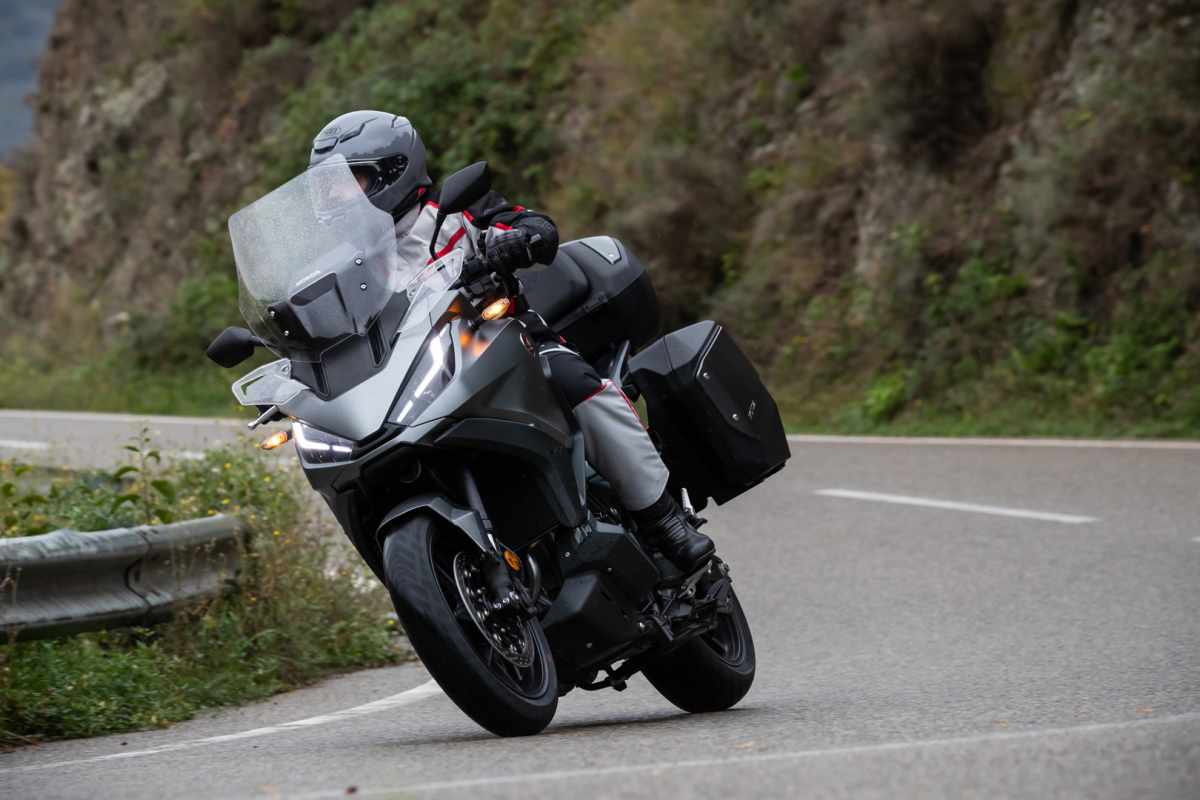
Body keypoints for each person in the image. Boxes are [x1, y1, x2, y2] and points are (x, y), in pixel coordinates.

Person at [309, 110, 713, 573]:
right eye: (327, 189)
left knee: (575, 384)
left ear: (392, 173)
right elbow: (316, 321)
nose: (336, 200)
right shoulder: (344, 266)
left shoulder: (455, 213)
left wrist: (521, 239)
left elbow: (533, 227)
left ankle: (661, 518)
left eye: (349, 182)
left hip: (506, 346)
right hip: (416, 382)